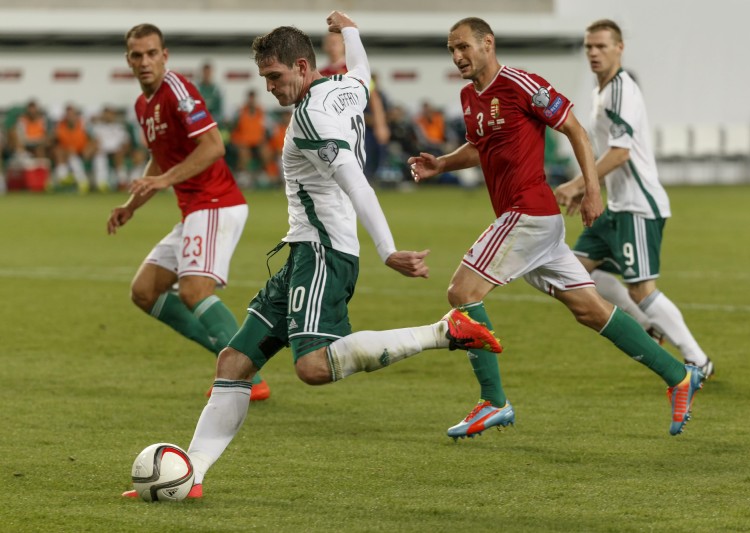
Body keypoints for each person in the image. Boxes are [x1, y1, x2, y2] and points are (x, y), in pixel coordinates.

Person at [120, 11, 501, 500]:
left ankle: (445, 331)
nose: (270, 88)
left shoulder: (312, 117)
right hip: (303, 249)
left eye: (275, 77)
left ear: (301, 66)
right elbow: (362, 71)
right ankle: (192, 472)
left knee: (312, 367)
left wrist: (387, 250)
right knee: (234, 362)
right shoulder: (343, 87)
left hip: (323, 252)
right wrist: (352, 30)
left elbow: (357, 185)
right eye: (264, 78)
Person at [408, 17, 703, 440]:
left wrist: (592, 190)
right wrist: (442, 163)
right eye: (451, 49)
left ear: (488, 43)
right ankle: (679, 375)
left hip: (528, 214)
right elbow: (480, 147)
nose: (457, 57)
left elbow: (576, 130)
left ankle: (493, 402)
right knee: (591, 309)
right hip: (528, 222)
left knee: (461, 292)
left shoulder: (521, 84)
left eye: (463, 47)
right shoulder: (469, 97)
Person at [107, 23, 270, 402]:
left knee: (195, 291)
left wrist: (165, 180)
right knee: (145, 291)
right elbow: (159, 159)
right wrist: (131, 206)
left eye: (152, 54)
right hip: (195, 209)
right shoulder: (142, 105)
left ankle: (247, 375)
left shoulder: (177, 91)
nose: (145, 61)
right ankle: (235, 363)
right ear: (128, 60)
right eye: (137, 55)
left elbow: (214, 146)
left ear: (165, 56)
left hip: (216, 202)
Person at [553, 19, 714, 379]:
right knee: (576, 273)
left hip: (639, 206)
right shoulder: (602, 92)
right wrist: (593, 190)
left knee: (642, 290)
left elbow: (620, 154)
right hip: (617, 206)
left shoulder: (623, 90)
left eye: (602, 46)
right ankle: (647, 326)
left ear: (619, 48)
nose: (594, 53)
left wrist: (580, 185)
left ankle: (698, 360)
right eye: (589, 47)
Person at [320, 30, 391, 180]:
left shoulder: (354, 70)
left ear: (343, 46)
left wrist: (380, 125)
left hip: (357, 127)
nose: (332, 47)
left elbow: (374, 98)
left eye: (335, 43)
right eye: (329, 44)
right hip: (333, 128)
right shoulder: (321, 73)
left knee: (361, 166)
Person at [229, 89, 272, 188]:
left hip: (257, 143)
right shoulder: (240, 112)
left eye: (253, 98)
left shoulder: (261, 112)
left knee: (266, 152)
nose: (252, 100)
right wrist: (237, 141)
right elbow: (232, 129)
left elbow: (268, 128)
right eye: (250, 98)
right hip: (243, 143)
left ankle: (260, 173)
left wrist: (263, 140)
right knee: (244, 153)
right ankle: (242, 175)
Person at [52, 104, 93, 194]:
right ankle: (66, 178)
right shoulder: (60, 127)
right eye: (68, 115)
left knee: (73, 157)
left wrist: (88, 149)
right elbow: (55, 142)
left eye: (72, 115)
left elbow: (93, 141)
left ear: (76, 115)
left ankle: (78, 181)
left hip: (82, 152)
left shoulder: (84, 126)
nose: (70, 117)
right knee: (65, 154)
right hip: (67, 154)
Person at [91, 105, 132, 191]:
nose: (108, 116)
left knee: (119, 154)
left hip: (117, 151)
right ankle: (101, 184)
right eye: (106, 114)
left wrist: (123, 150)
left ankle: (122, 182)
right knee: (99, 156)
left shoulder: (119, 127)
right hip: (102, 151)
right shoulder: (98, 127)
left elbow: (126, 142)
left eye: (110, 114)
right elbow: (95, 141)